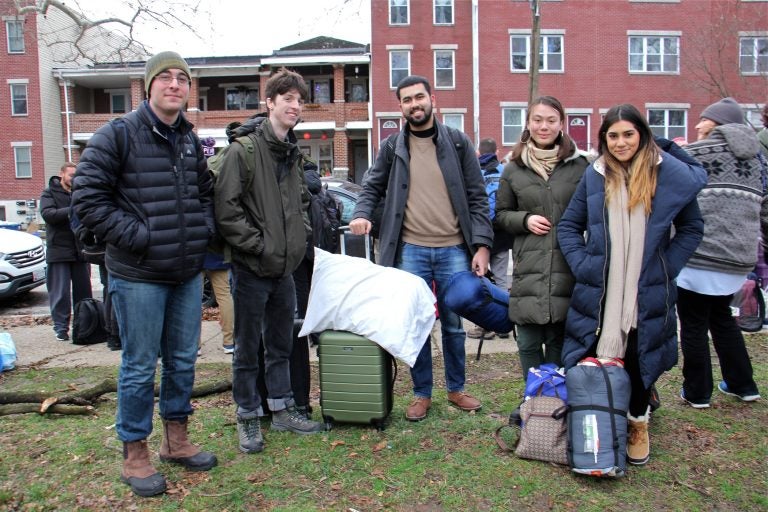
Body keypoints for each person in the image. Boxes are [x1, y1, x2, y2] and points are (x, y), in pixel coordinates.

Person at [72, 51, 217, 497]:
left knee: (181, 361)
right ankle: (135, 451)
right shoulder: (116, 135)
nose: (174, 85)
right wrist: (139, 235)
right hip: (138, 274)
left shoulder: (190, 141)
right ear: (149, 85)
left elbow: (205, 194)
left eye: (182, 79)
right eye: (166, 78)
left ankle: (176, 439)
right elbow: (87, 200)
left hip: (186, 273)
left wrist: (201, 232)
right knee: (139, 366)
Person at [558, 104, 706, 466]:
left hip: (647, 287)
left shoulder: (665, 175)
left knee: (641, 356)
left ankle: (638, 421)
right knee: (602, 355)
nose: (621, 142)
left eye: (628, 134)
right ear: (604, 139)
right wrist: (584, 265)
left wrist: (666, 267)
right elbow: (568, 226)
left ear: (641, 134)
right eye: (613, 135)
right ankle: (604, 417)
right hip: (603, 291)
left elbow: (691, 228)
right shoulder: (595, 175)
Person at [349, 75, 493, 422]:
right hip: (410, 249)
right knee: (418, 325)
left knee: (454, 325)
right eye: (407, 100)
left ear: (433, 99)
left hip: (454, 250)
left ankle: (456, 389)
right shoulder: (392, 147)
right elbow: (371, 187)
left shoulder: (458, 143)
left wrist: (482, 245)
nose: (414, 104)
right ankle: (421, 392)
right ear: (400, 107)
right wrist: (362, 213)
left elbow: (477, 198)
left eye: (419, 97)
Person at [214, 67, 325, 455]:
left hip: (285, 270)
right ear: (270, 103)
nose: (295, 106)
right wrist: (259, 246)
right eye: (287, 99)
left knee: (280, 345)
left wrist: (298, 239)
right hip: (252, 270)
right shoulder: (242, 150)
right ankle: (247, 416)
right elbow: (226, 210)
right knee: (247, 350)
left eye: (299, 100)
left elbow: (303, 204)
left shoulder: (292, 153)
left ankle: (282, 408)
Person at [677, 98, 765, 408]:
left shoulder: (692, 153)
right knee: (723, 318)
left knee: (693, 324)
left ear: (714, 124)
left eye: (702, 118)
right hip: (738, 260)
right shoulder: (759, 161)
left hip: (698, 255)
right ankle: (743, 384)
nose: (698, 124)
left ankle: (697, 391)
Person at [495, 96, 588, 374]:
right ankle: (532, 401)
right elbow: (501, 214)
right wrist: (524, 219)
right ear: (528, 123)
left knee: (558, 340)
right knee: (528, 342)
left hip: (566, 265)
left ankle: (555, 402)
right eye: (537, 120)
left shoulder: (580, 166)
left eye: (551, 120)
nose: (543, 126)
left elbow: (593, 213)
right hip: (529, 269)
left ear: (562, 123)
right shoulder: (513, 168)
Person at [466, 137, 513, 340]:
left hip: (480, 235)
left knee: (481, 281)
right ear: (496, 151)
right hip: (502, 234)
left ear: (478, 152)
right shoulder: (505, 172)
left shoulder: (474, 172)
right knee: (502, 279)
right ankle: (504, 324)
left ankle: (484, 326)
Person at [40, 162, 93, 341]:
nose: (74, 179)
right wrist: (72, 210)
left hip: (80, 251)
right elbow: (49, 215)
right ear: (62, 174)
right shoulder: (49, 193)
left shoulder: (80, 193)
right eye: (71, 175)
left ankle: (84, 326)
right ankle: (61, 328)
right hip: (59, 251)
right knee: (60, 293)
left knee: (84, 292)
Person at [203, 251, 235, 354]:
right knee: (224, 296)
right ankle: (229, 342)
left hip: (196, 254)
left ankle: (195, 345)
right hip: (219, 253)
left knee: (193, 298)